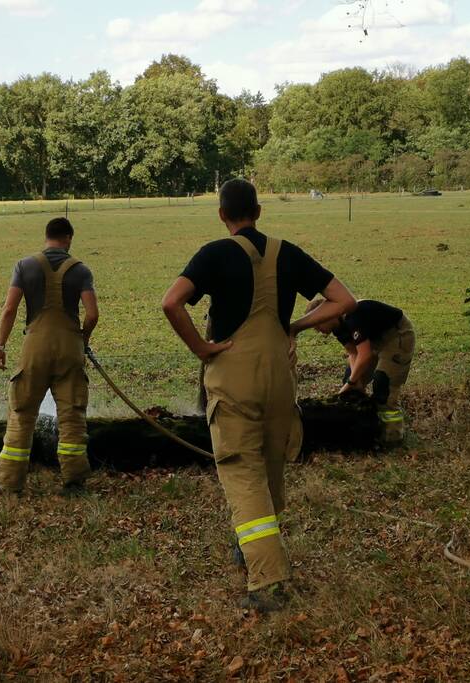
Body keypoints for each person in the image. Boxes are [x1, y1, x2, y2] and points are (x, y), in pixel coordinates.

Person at [162, 178, 356, 613]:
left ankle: (267, 582)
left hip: (233, 374)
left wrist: (201, 348)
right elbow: (344, 300)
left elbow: (171, 302)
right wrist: (297, 327)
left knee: (242, 473)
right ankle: (248, 548)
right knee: (271, 468)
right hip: (279, 378)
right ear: (259, 211)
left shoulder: (214, 253)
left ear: (221, 215)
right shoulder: (287, 251)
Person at [0, 217, 99, 496]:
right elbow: (92, 314)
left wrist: (0, 346)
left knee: (22, 413)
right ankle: (74, 483)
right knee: (72, 416)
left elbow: (9, 310)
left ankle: (10, 484)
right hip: (70, 349)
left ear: (47, 236)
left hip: (34, 348)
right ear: (68, 239)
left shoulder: (24, 266)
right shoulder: (81, 270)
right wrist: (81, 340)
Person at [305, 298, 415, 445]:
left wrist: (352, 382)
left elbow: (365, 355)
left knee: (383, 384)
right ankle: (362, 426)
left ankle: (392, 436)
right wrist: (354, 381)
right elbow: (353, 353)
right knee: (351, 382)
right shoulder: (337, 326)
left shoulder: (353, 315)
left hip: (396, 336)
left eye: (317, 324)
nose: (317, 330)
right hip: (372, 341)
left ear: (327, 315)